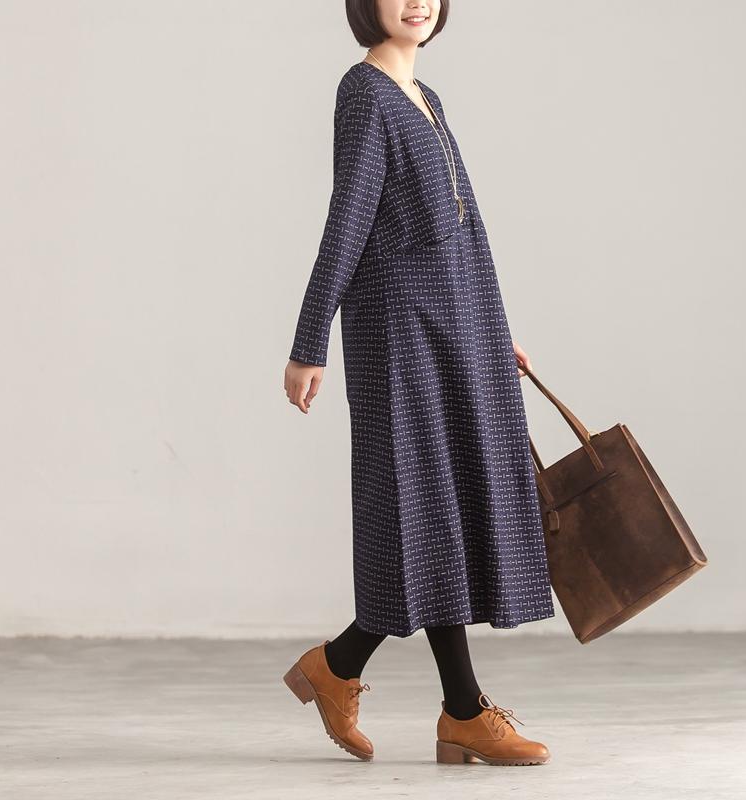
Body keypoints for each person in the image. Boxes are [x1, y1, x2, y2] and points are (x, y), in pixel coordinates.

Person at [282, 0, 554, 766]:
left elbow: (464, 232)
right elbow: (348, 221)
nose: (417, 0)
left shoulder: (426, 97)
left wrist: (492, 329)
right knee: (427, 506)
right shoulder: (364, 93)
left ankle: (341, 668)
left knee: (444, 508)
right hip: (398, 332)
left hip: (452, 327)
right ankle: (459, 710)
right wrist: (309, 341)